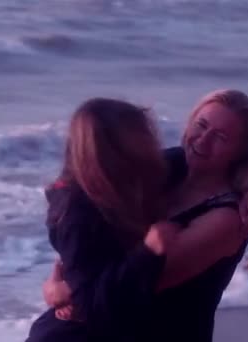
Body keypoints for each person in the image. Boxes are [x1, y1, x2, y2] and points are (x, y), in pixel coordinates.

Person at [42, 89, 248, 342]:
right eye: (201, 125)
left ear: (241, 152)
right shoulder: (168, 167)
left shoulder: (227, 219)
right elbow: (84, 179)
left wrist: (67, 291)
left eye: (220, 137)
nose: (202, 141)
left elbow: (139, 287)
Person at [26, 97, 179, 341]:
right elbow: (91, 307)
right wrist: (148, 252)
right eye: (141, 136)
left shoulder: (130, 183)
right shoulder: (77, 213)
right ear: (115, 150)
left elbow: (190, 157)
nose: (151, 143)